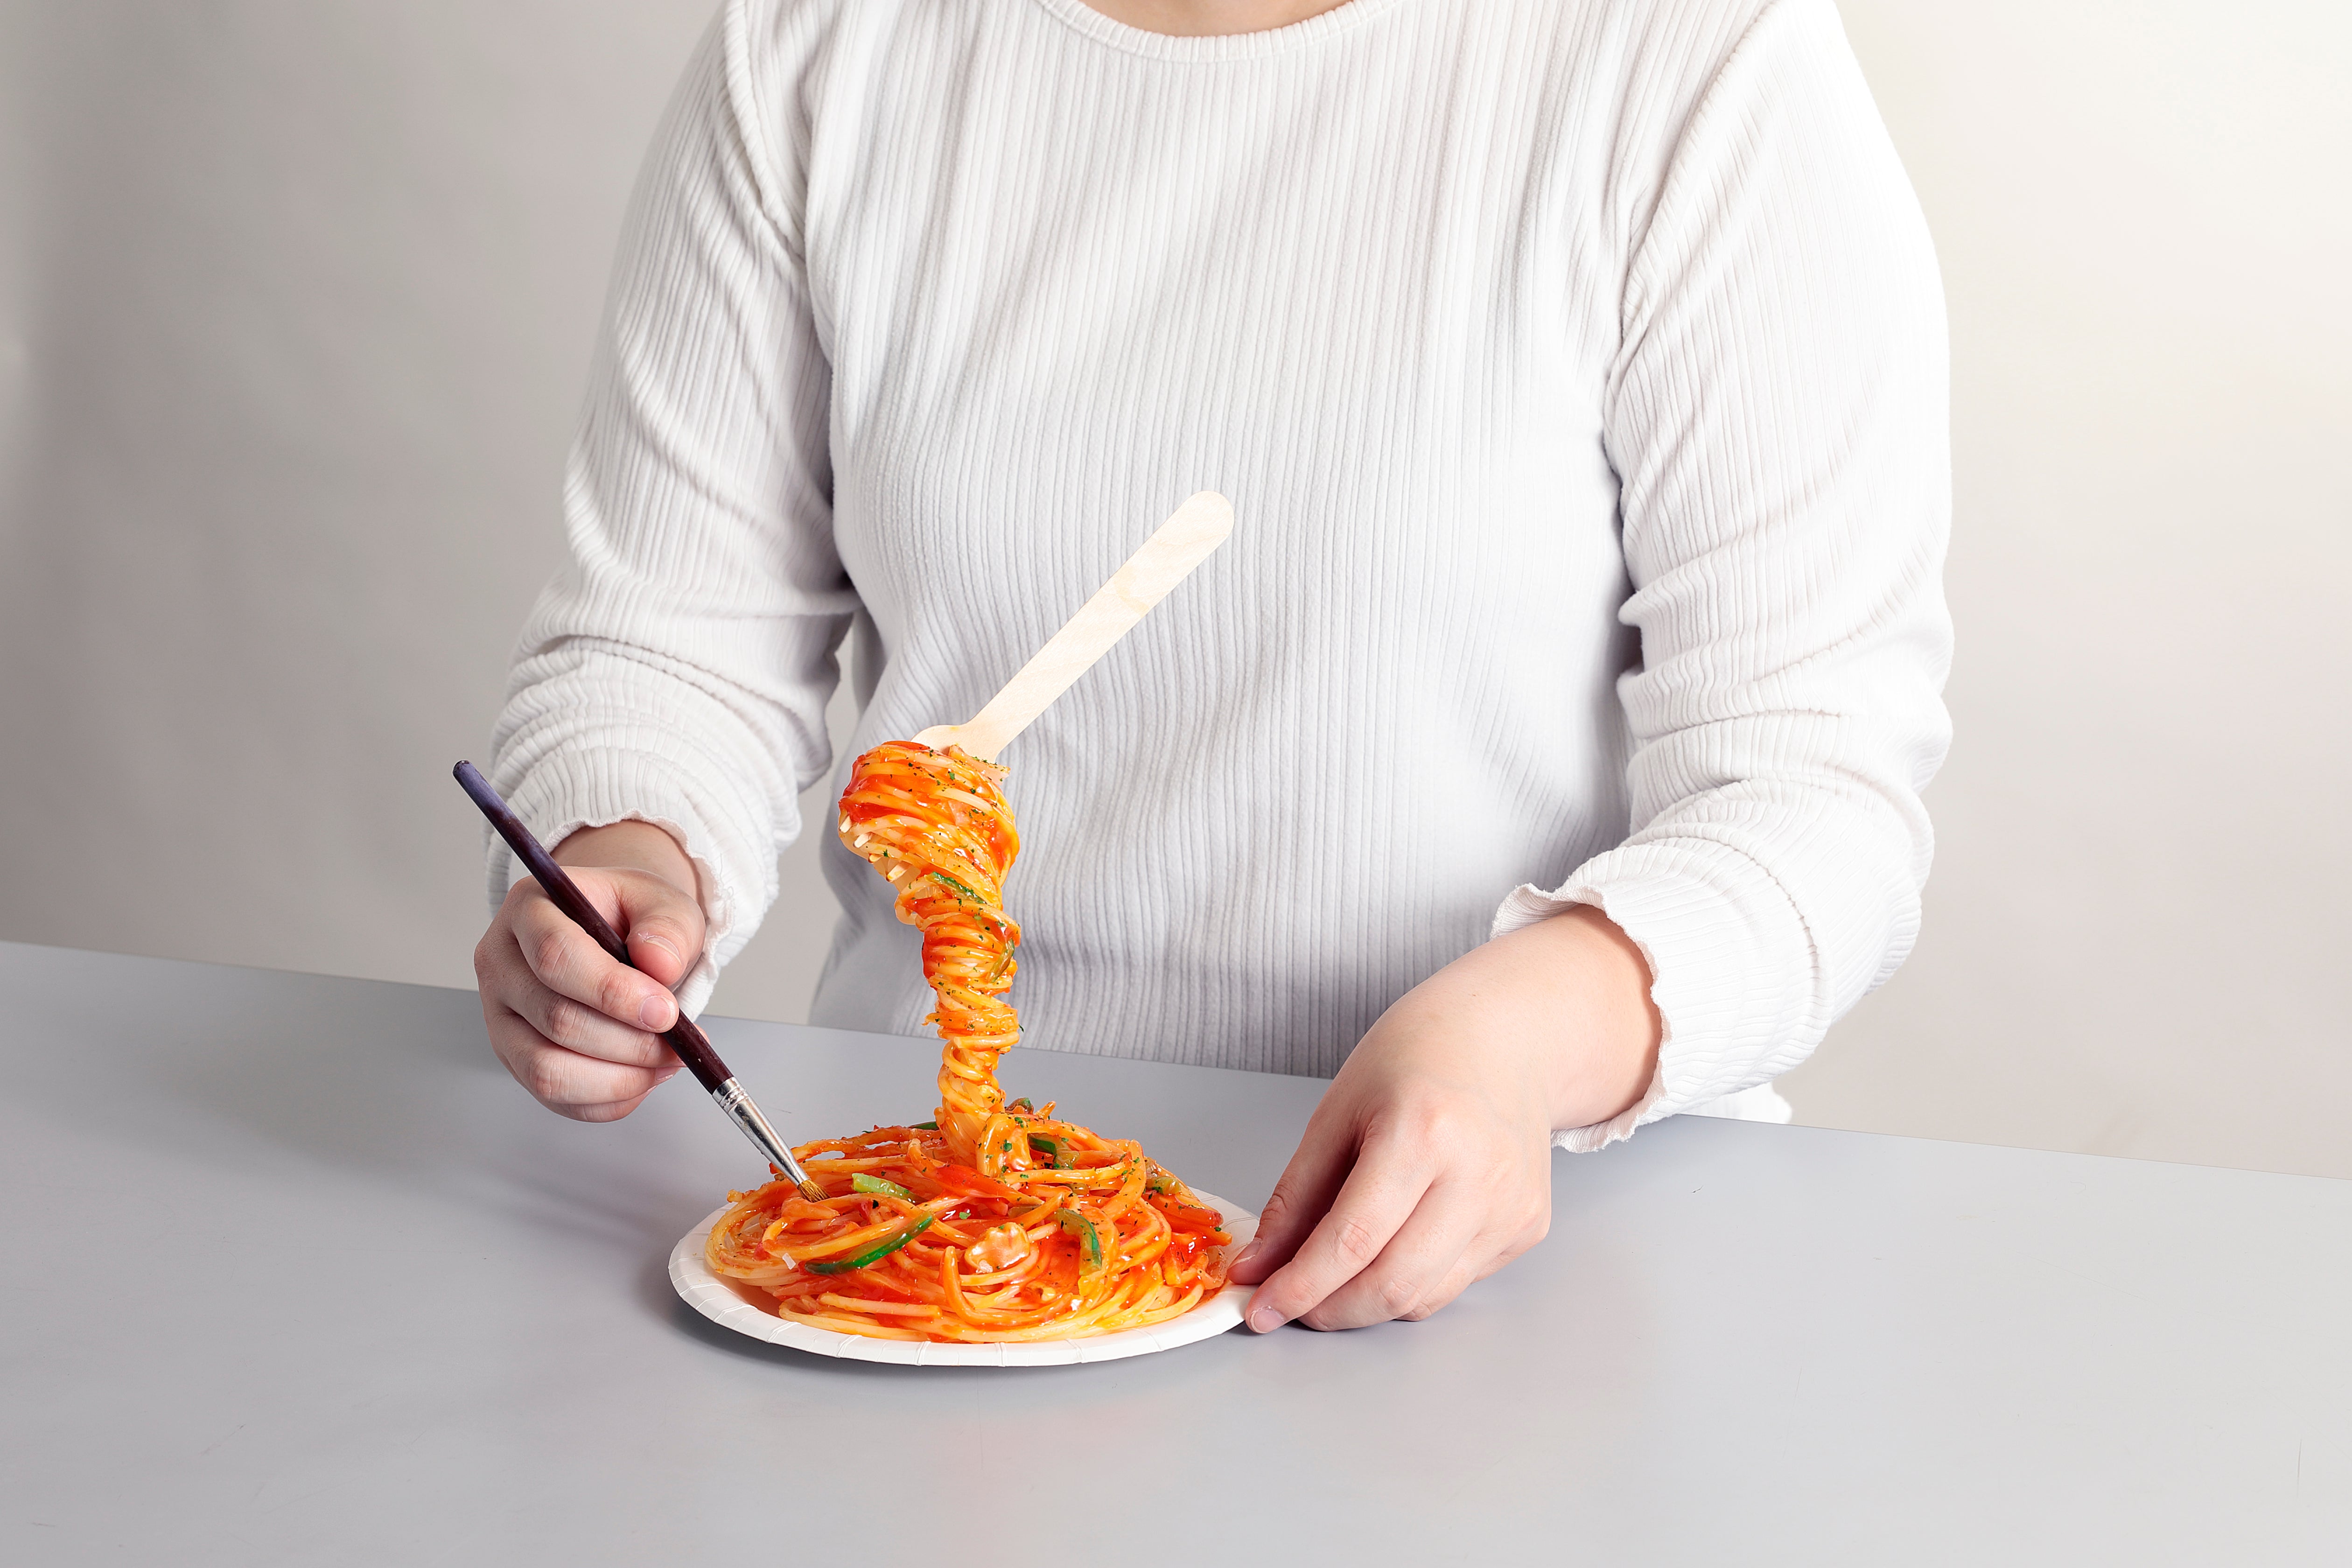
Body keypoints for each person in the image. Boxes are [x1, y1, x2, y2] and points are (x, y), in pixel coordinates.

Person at [474, 0, 1950, 1335]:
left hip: (1533, 1268)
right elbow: (668, 641)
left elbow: (1816, 790)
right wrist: (629, 868)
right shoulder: (818, 47)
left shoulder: (1694, 57)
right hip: (934, 1243)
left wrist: (1515, 1034)